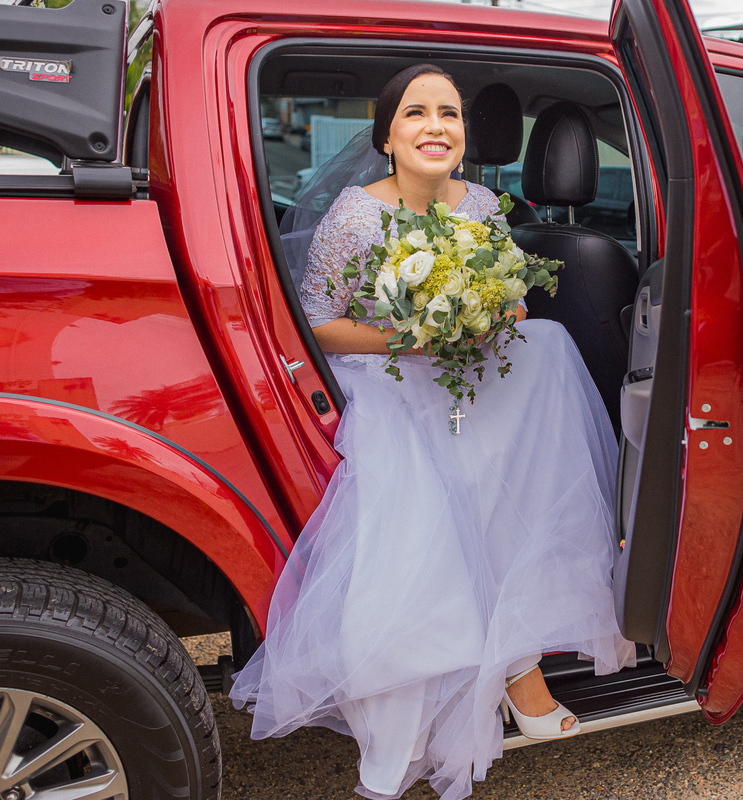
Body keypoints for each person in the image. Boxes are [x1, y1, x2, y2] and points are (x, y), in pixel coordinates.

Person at [229, 64, 636, 800]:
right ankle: (501, 674)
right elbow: (319, 325)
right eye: (416, 114)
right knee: (425, 502)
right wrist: (415, 339)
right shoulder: (355, 217)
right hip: (388, 378)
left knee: (544, 351)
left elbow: (510, 298)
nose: (436, 127)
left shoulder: (479, 201)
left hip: (470, 373)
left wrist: (482, 316)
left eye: (448, 113)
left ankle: (515, 656)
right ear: (388, 135)